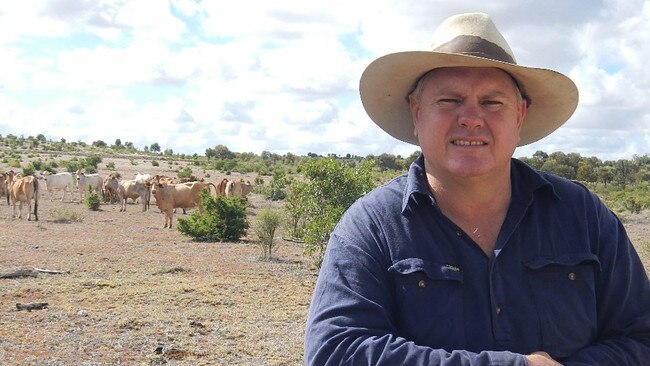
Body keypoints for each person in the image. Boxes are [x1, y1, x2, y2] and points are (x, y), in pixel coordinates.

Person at [304, 12, 650, 365]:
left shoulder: (583, 216)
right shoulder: (372, 227)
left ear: (519, 117)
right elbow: (336, 351)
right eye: (449, 100)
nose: (471, 118)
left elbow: (640, 336)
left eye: (492, 102)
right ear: (416, 113)